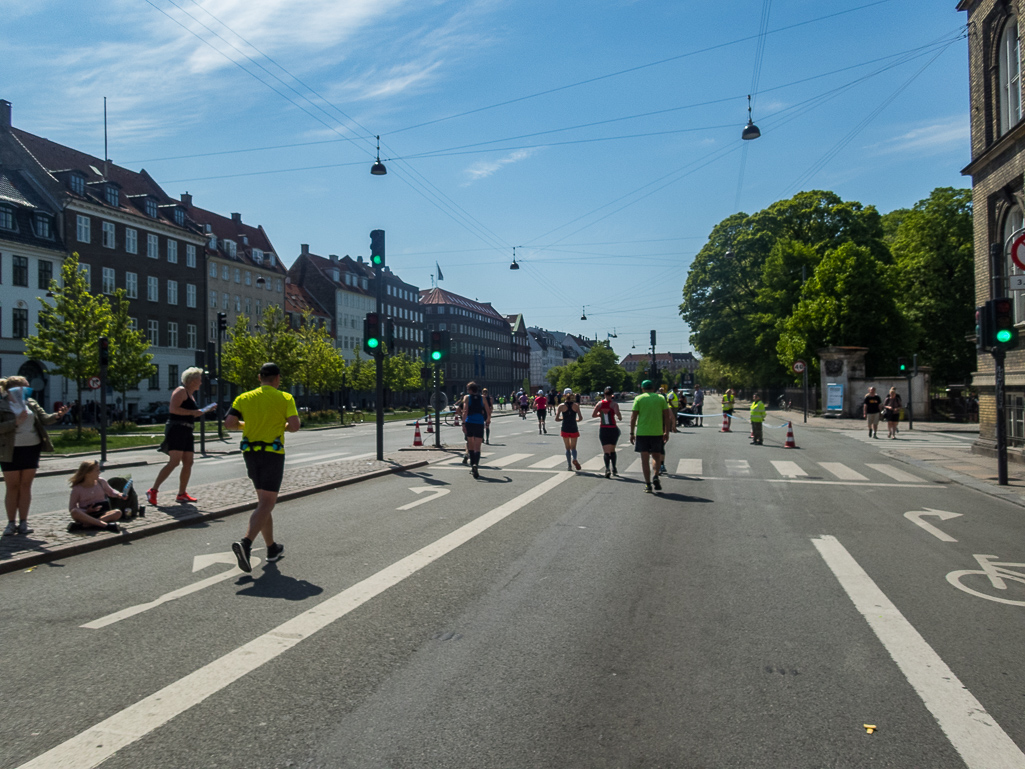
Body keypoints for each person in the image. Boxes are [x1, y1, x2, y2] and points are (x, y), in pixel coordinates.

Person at [227, 363, 301, 573]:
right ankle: (246, 543)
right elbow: (295, 426)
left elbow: (229, 423)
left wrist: (246, 424)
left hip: (250, 453)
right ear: (277, 378)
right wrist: (281, 424)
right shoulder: (285, 398)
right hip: (272, 453)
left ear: (260, 378)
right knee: (267, 503)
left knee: (263, 503)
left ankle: (271, 548)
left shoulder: (244, 397)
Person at [0, 377, 68, 536]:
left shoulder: (31, 403)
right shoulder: (2, 404)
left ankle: (23, 522)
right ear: (13, 389)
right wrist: (15, 422)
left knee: (25, 486)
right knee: (12, 487)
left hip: (31, 447)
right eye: (24, 387)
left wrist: (58, 415)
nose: (27, 391)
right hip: (10, 449)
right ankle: (11, 523)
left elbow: (44, 419)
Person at [147, 367, 211, 507]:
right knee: (174, 462)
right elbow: (173, 409)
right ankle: (153, 490)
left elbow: (191, 412)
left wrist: (200, 411)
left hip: (187, 430)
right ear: (192, 380)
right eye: (199, 380)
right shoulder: (180, 391)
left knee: (188, 462)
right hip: (176, 429)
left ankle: (182, 493)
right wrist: (194, 412)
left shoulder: (191, 394)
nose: (201, 383)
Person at [630, 379, 673, 493]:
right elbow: (666, 417)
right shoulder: (660, 398)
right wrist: (666, 432)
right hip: (657, 432)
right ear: (653, 388)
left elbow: (633, 417)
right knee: (656, 457)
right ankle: (656, 475)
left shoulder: (638, 399)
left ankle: (648, 485)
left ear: (642, 389)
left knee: (644, 460)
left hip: (642, 433)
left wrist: (631, 433)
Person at [67, 460, 128, 533]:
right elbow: (72, 507)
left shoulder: (101, 482)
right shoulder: (77, 488)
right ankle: (105, 525)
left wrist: (119, 494)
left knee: (118, 512)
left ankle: (87, 525)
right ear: (88, 473)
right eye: (97, 470)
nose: (99, 472)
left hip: (102, 513)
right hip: (86, 515)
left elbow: (111, 491)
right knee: (74, 512)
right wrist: (86, 511)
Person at [457, 381, 491, 478]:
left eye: (468, 389)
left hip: (469, 422)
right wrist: (488, 420)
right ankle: (476, 464)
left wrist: (463, 424)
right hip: (479, 423)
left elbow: (465, 411)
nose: (467, 391)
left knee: (470, 445)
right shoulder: (483, 398)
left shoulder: (467, 398)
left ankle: (472, 465)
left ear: (471, 390)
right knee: (478, 446)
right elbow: (488, 411)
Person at [592, 386, 623, 478]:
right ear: (612, 395)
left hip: (604, 428)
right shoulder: (614, 404)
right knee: (612, 450)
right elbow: (618, 415)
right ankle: (614, 468)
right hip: (612, 428)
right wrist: (619, 416)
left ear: (604, 394)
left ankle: (607, 469)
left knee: (606, 451)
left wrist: (601, 414)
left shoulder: (599, 404)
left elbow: (593, 415)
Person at [555, 388, 583, 470]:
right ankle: (574, 458)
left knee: (567, 448)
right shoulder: (576, 406)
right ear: (572, 395)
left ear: (564, 395)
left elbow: (556, 419)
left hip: (565, 428)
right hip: (574, 427)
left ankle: (569, 465)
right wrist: (576, 420)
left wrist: (562, 418)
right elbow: (580, 418)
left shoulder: (561, 406)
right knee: (573, 447)